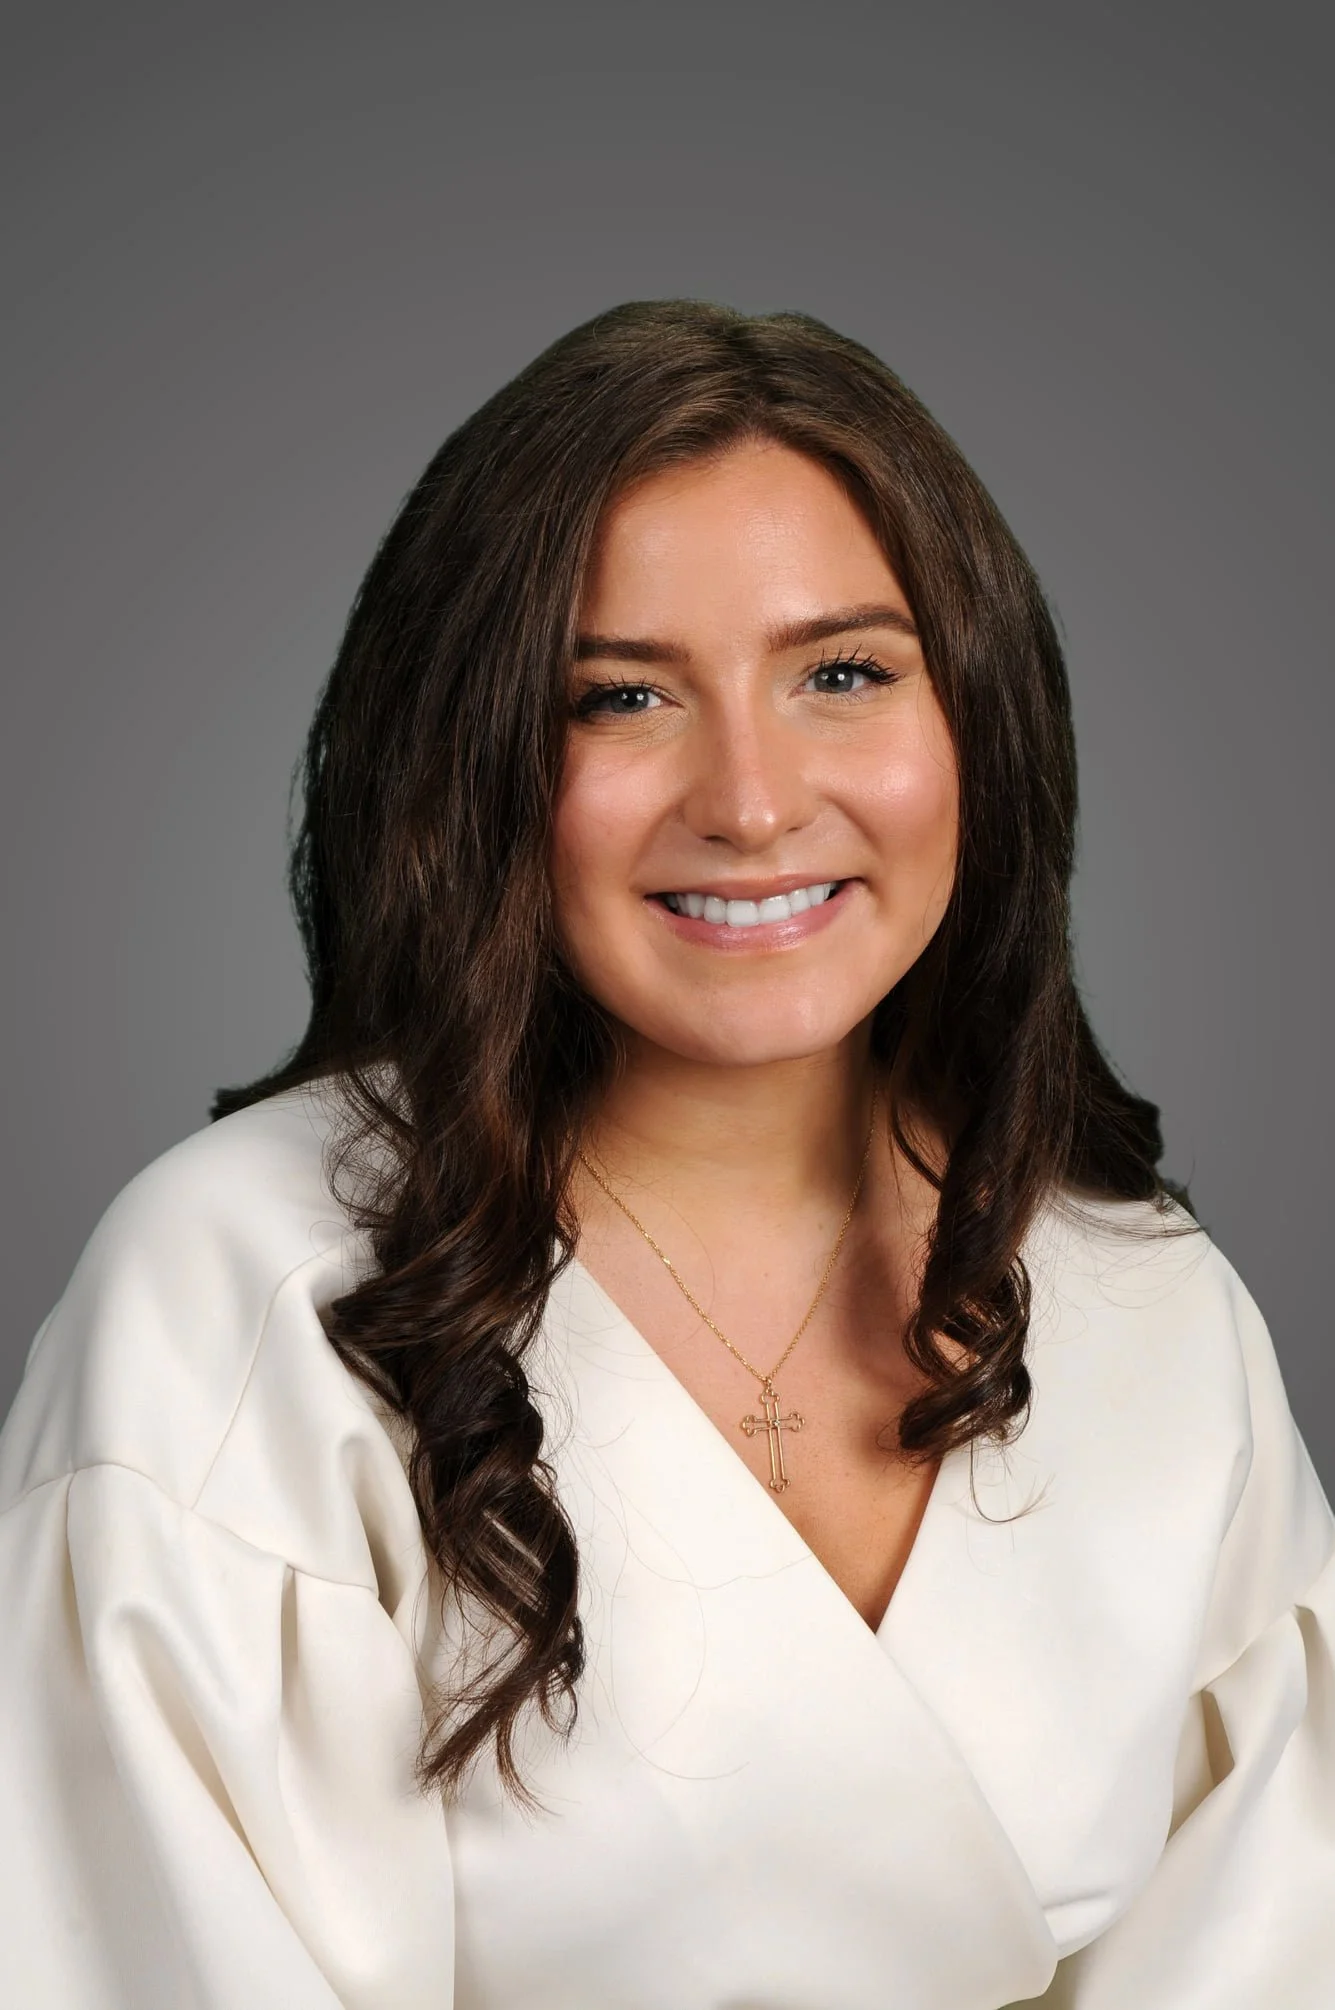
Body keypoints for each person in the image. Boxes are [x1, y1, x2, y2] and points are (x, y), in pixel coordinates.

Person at [1, 299, 1331, 2010]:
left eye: (842, 672)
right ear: (470, 762)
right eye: (620, 697)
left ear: (980, 725)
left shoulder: (1151, 1312)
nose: (754, 799)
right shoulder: (230, 1292)